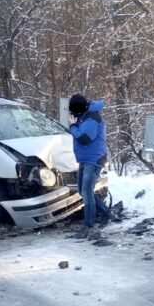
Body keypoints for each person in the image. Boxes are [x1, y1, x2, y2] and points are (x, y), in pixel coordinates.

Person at [66, 93, 111, 239]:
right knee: (83, 191)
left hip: (94, 160)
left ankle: (88, 226)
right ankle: (105, 212)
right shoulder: (86, 116)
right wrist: (76, 124)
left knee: (86, 192)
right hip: (86, 159)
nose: (73, 114)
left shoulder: (92, 118)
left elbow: (84, 138)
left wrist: (72, 125)